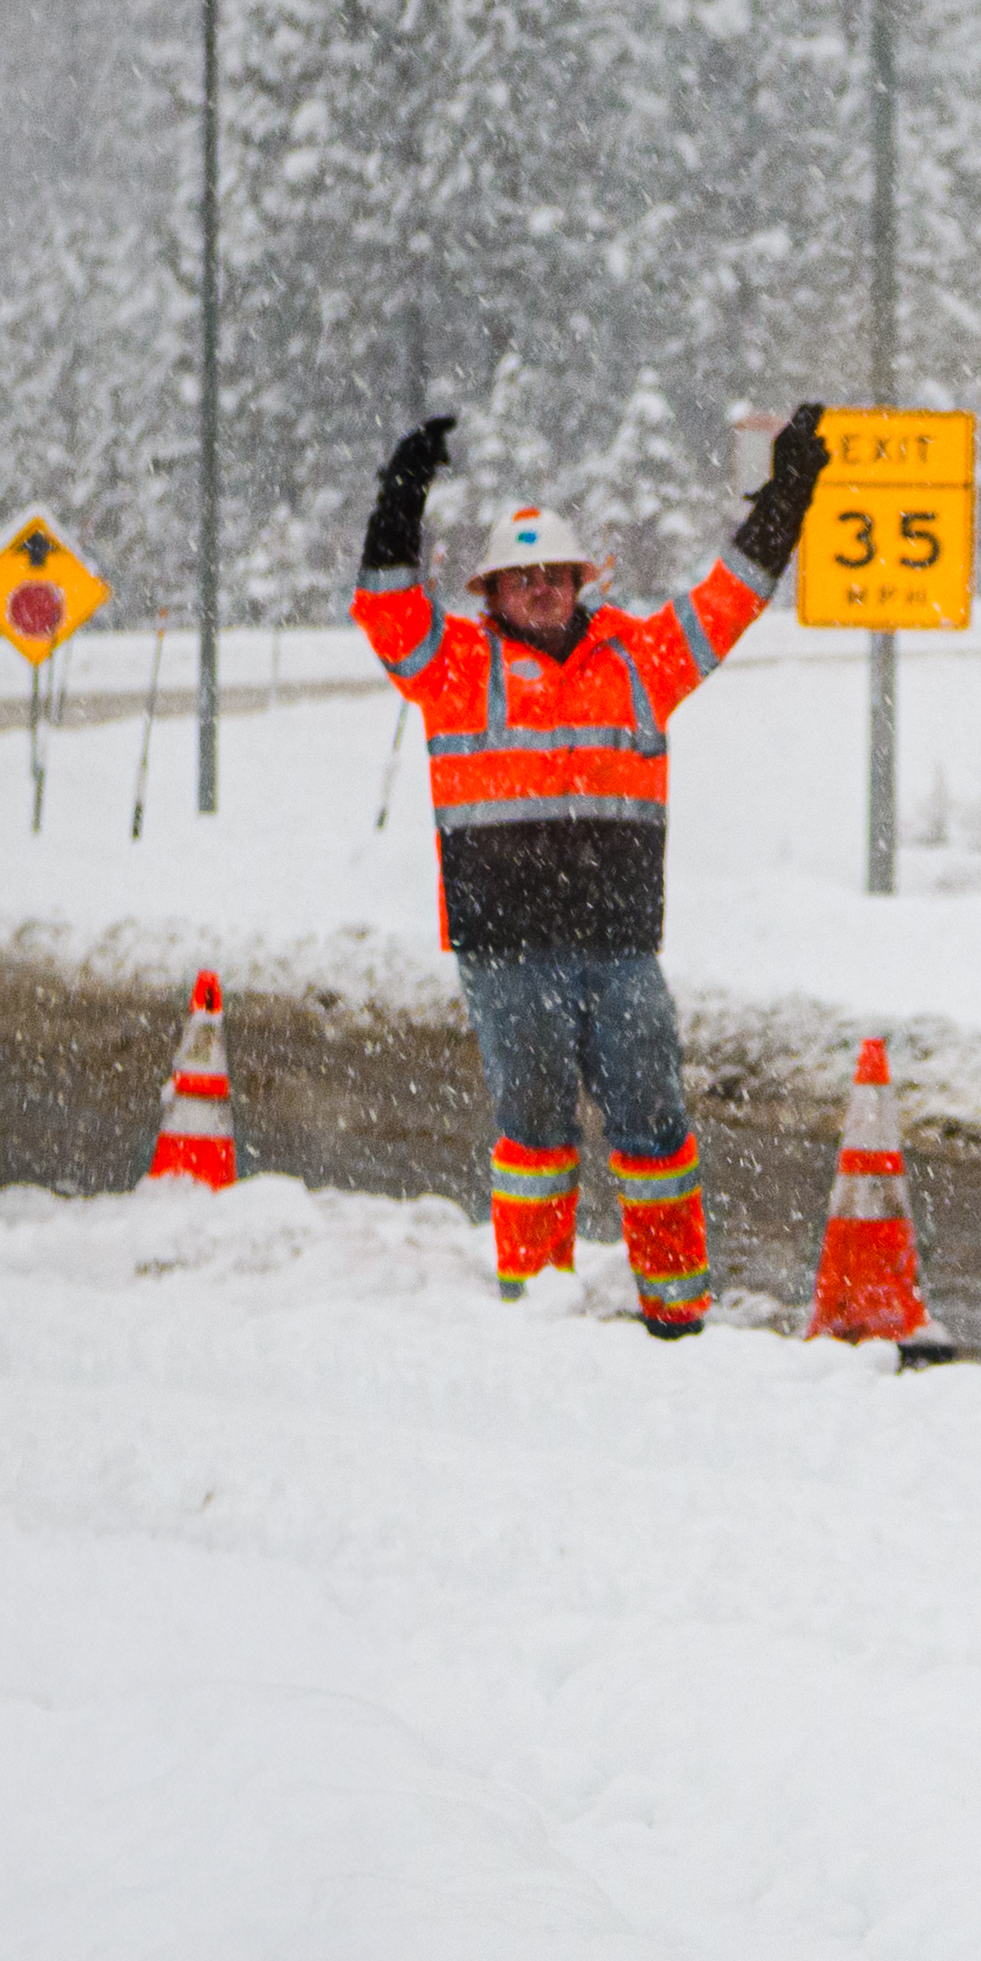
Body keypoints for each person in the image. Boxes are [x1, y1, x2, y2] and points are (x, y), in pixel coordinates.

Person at [353, 405, 829, 1332]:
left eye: (555, 577)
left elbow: (733, 597)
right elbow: (383, 606)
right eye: (520, 579)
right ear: (491, 591)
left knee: (654, 1123)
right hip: (507, 949)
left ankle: (677, 1309)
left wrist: (787, 498)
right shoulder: (450, 665)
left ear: (580, 582)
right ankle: (537, 1306)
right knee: (535, 1133)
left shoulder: (641, 660)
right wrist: (400, 496)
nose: (540, 591)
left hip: (619, 947)